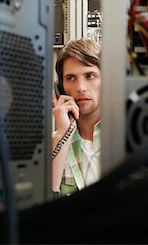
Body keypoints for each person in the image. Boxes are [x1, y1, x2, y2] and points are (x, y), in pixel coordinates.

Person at [51, 38, 102, 196]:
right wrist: (63, 134)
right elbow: (41, 201)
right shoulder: (55, 143)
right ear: (60, 88)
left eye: (90, 76)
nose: (80, 88)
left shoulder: (126, 135)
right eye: (70, 78)